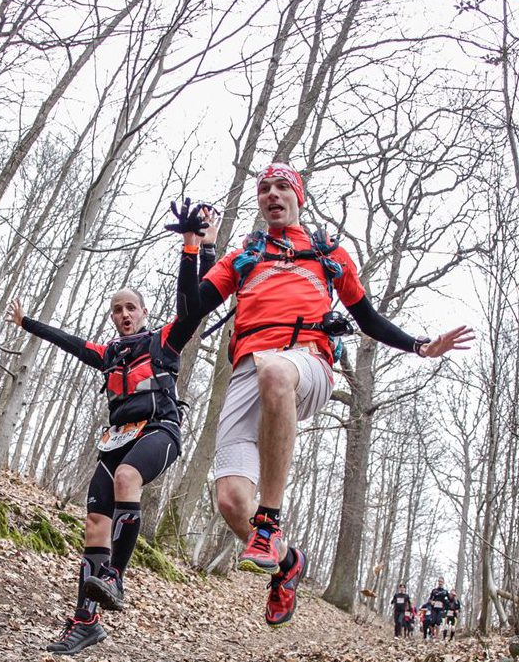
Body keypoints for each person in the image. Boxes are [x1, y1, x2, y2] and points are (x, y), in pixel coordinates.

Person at [183, 161, 474, 628]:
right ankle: (287, 564)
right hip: (246, 370)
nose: (272, 194)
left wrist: (420, 346)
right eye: (264, 188)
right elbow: (191, 309)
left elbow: (368, 317)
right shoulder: (244, 256)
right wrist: (194, 245)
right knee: (232, 502)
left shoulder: (327, 253)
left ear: (298, 196)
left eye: (282, 186)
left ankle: (269, 524)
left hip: (306, 362)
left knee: (276, 372)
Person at [6, 208, 219, 654]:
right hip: (116, 439)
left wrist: (194, 248)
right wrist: (27, 323)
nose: (124, 314)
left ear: (143, 312)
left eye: (130, 308)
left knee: (127, 478)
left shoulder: (164, 340)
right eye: (117, 310)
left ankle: (115, 578)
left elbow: (193, 305)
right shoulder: (107, 354)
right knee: (94, 524)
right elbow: (67, 341)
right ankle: (85, 621)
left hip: (160, 430)